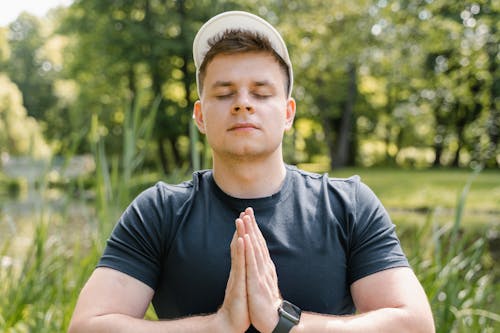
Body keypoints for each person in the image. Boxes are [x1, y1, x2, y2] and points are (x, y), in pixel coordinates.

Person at [68, 10, 435, 333]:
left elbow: (416, 324)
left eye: (260, 93)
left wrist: (285, 321)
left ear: (288, 113)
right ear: (200, 116)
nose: (243, 104)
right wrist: (217, 326)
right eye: (225, 93)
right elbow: (87, 326)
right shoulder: (159, 211)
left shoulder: (347, 205)